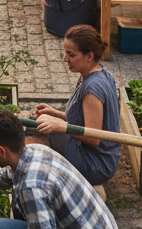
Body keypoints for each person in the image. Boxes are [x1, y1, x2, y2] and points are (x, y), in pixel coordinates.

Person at [33, 25, 121, 187]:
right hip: (103, 155)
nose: (66, 59)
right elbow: (88, 120)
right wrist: (56, 114)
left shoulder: (91, 89)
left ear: (89, 56)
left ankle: (45, 185)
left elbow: (93, 138)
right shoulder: (102, 73)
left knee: (34, 142)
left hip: (95, 163)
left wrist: (62, 126)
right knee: (38, 128)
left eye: (71, 54)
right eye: (66, 53)